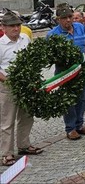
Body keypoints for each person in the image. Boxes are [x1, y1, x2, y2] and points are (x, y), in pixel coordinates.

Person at [0, 11, 43, 166]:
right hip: (8, 86)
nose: (16, 28)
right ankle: (7, 153)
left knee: (26, 117)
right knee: (7, 121)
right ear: (3, 27)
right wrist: (8, 79)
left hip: (26, 84)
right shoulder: (0, 44)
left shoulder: (25, 39)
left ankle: (24, 145)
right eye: (12, 26)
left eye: (18, 25)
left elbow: (31, 58)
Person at [47, 5, 85, 140]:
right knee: (68, 101)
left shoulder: (80, 27)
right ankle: (70, 128)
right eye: (64, 18)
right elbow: (50, 57)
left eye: (70, 17)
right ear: (58, 19)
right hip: (65, 72)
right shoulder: (52, 35)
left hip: (81, 69)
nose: (68, 20)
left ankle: (79, 125)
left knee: (83, 98)